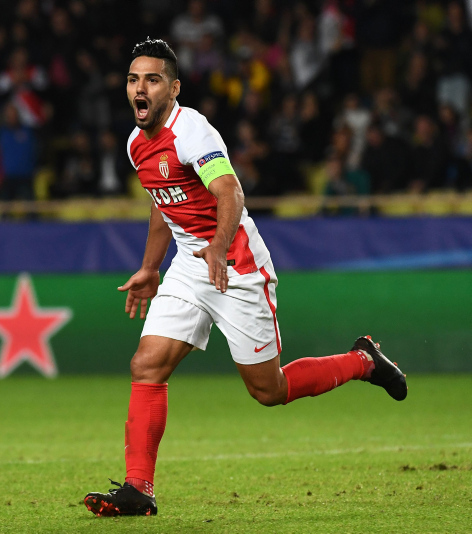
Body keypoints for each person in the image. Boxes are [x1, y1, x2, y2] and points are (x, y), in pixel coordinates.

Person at [83, 38, 408, 518]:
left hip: (236, 264)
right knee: (146, 366)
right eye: (134, 79)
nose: (140, 88)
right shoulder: (136, 145)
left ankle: (362, 361)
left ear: (174, 88)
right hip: (190, 265)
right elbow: (161, 202)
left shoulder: (192, 132)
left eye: (152, 79)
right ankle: (138, 488)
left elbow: (230, 192)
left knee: (268, 390)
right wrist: (151, 267)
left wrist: (217, 247)